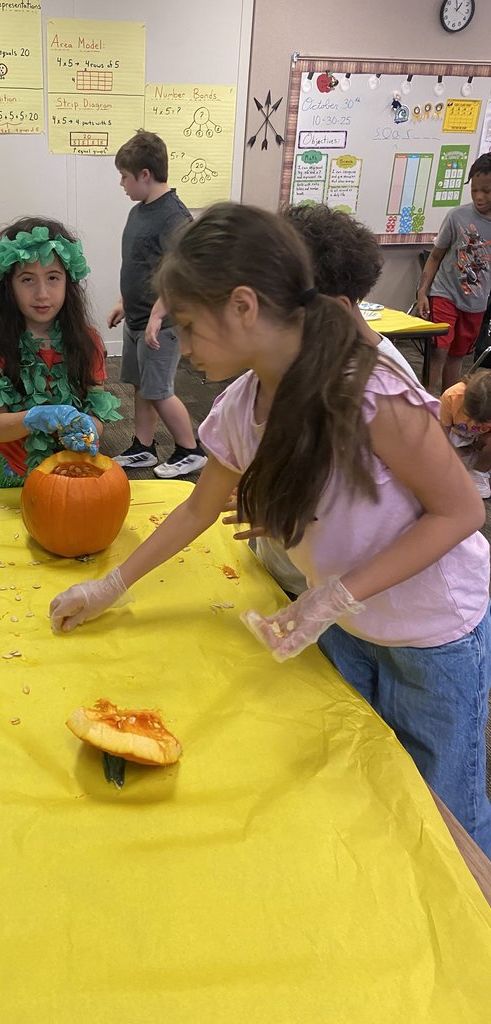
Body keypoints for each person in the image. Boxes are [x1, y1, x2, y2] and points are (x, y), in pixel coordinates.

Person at [49, 203, 491, 855]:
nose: (185, 349)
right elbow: (197, 510)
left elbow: (461, 513)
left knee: (445, 799)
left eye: (191, 328)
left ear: (245, 307)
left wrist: (338, 593)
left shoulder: (370, 391)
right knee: (372, 780)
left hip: (431, 632)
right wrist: (110, 585)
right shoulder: (240, 405)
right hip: (348, 626)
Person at [247, 203, 420, 598]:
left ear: (334, 310)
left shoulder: (387, 391)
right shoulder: (292, 360)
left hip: (341, 592)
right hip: (280, 567)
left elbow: (404, 512)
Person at [0, 217, 121, 487]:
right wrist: (37, 417)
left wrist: (90, 427)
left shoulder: (88, 341)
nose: (42, 293)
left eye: (53, 277)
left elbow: (97, 412)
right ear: (9, 286)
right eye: (27, 279)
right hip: (14, 473)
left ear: (68, 282)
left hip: (72, 469)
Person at [107, 129, 207, 478]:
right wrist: (124, 300)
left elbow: (183, 272)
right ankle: (144, 447)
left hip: (161, 325)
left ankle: (191, 450)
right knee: (141, 386)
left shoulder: (174, 217)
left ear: (145, 175)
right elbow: (139, 265)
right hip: (137, 318)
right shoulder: (141, 211)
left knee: (160, 390)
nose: (121, 184)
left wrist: (157, 314)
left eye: (124, 176)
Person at [416, 151, 491, 393]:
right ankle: (424, 402)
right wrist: (422, 293)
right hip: (444, 293)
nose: (479, 197)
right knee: (438, 350)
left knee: (457, 356)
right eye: (474, 190)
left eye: (487, 191)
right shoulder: (457, 216)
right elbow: (435, 256)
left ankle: (447, 407)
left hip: (476, 302)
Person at [440, 368, 491, 498]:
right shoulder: (452, 396)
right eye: (471, 416)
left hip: (481, 439)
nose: (477, 423)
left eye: (484, 421)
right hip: (455, 434)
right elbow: (441, 433)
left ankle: (480, 473)